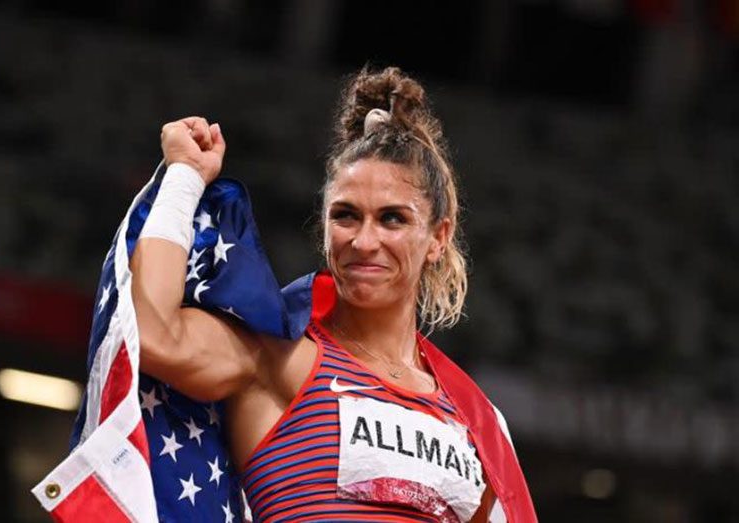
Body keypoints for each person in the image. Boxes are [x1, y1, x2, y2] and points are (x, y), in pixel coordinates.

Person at [130, 67, 534, 522]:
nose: (364, 241)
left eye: (393, 219)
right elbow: (152, 333)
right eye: (345, 216)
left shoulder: (478, 422)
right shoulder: (281, 359)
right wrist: (185, 176)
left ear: (439, 237)